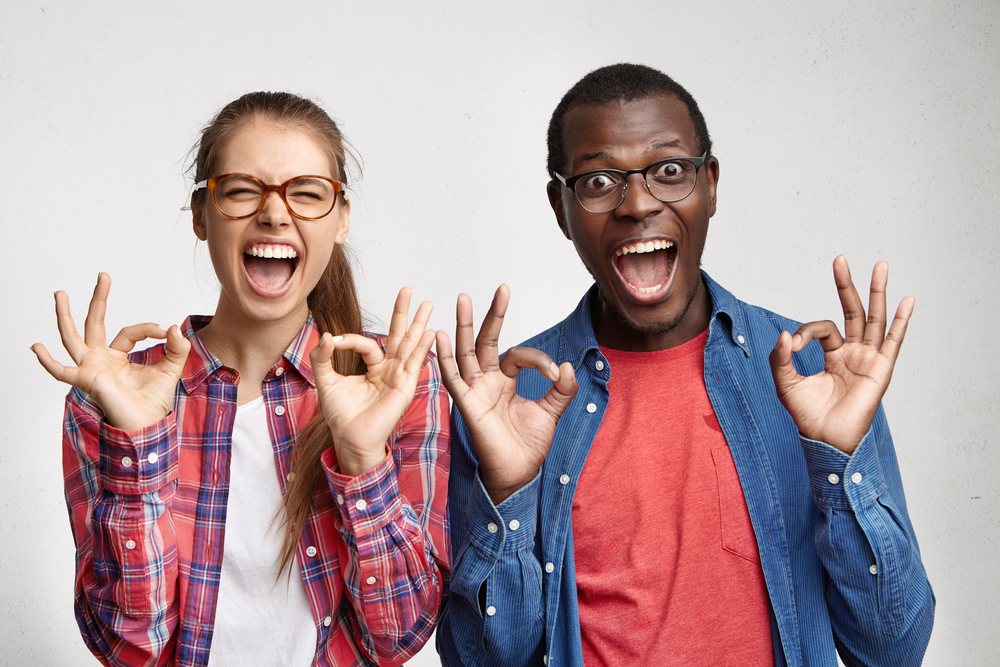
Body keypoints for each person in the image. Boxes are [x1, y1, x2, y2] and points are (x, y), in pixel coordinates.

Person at [435, 64, 934, 667]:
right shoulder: (511, 401)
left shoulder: (814, 375)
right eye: (597, 181)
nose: (638, 203)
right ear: (560, 208)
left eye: (669, 171)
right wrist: (508, 491)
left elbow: (891, 651)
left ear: (711, 184)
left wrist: (840, 465)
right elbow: (481, 662)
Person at [31, 92, 450, 667]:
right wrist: (140, 452)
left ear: (342, 218)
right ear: (202, 216)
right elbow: (129, 647)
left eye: (306, 194)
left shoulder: (398, 382)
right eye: (242, 190)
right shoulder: (113, 396)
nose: (275, 214)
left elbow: (397, 638)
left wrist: (363, 460)